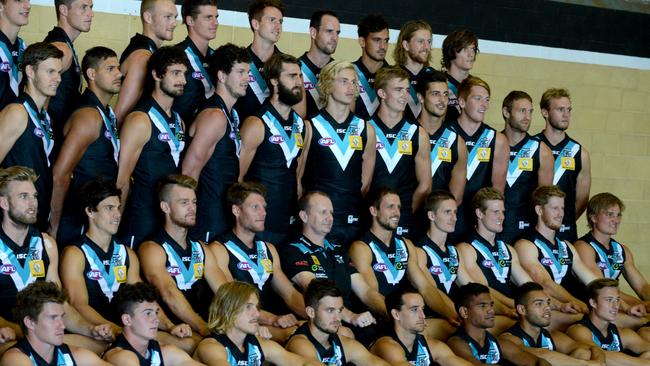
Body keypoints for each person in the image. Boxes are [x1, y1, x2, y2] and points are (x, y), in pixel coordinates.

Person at [0, 166, 114, 353]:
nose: (33, 203)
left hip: (42, 334)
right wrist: (13, 330)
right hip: (9, 337)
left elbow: (61, 305)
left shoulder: (47, 244)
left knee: (107, 346)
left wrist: (90, 329)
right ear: (4, 203)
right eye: (23, 197)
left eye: (34, 196)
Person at [515, 186, 647, 328]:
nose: (560, 214)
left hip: (569, 308)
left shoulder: (567, 246)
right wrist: (574, 302)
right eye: (555, 208)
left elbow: (595, 283)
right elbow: (545, 283)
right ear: (539, 210)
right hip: (543, 310)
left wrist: (627, 307)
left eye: (562, 208)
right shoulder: (525, 244)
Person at [349, 188, 459, 340]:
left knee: (458, 329)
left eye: (399, 207)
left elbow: (426, 287)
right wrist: (400, 317)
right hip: (379, 320)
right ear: (374, 211)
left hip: (407, 316)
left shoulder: (406, 245)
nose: (396, 212)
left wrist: (454, 315)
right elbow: (370, 294)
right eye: (390, 207)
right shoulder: (361, 247)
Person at [210, 182, 305, 342]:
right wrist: (272, 319)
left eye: (264, 207)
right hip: (240, 322)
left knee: (313, 331)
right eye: (255, 207)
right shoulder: (219, 249)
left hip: (271, 320)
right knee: (295, 336)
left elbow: (289, 294)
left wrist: (314, 314)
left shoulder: (268, 249)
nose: (263, 213)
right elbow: (230, 301)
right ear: (236, 210)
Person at [116, 46, 189, 247]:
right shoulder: (140, 119)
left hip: (166, 215)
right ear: (156, 75)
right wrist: (115, 222)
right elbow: (121, 180)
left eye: (184, 73)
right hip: (140, 214)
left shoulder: (178, 120)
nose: (183, 80)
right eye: (175, 73)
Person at [299, 60, 376, 248]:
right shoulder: (310, 126)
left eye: (353, 82)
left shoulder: (366, 129)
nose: (351, 87)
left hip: (352, 217)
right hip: (318, 219)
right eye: (343, 81)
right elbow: (298, 176)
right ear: (328, 85)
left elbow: (365, 182)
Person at [49, 46, 122, 244]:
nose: (119, 73)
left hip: (97, 216)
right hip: (77, 218)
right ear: (91, 74)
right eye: (110, 69)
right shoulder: (88, 116)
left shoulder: (106, 113)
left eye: (118, 68)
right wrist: (54, 227)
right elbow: (60, 174)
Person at [138, 175, 225, 338]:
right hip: (170, 331)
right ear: (165, 207)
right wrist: (203, 328)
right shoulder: (152, 248)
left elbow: (225, 292)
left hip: (202, 328)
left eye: (194, 202)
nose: (192, 208)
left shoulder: (202, 249)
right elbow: (168, 293)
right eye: (184, 203)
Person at [281, 191, 384, 328]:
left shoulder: (338, 249)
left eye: (331, 213)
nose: (330, 218)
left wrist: (392, 311)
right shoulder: (293, 250)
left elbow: (365, 291)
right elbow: (318, 292)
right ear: (304, 216)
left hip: (351, 321)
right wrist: (351, 317)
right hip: (323, 325)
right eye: (323, 212)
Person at [182, 43, 250, 242]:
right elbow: (188, 172)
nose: (247, 78)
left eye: (247, 72)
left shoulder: (231, 115)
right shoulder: (214, 116)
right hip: (207, 218)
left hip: (222, 213)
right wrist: (187, 222)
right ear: (222, 76)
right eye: (240, 72)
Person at [238, 53, 305, 244]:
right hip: (259, 224)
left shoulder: (300, 124)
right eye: (292, 76)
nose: (298, 82)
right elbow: (238, 178)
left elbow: (297, 177)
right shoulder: (256, 123)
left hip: (288, 224)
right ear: (274, 81)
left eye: (299, 76)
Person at [0, 43, 62, 230]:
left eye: (59, 72)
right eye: (50, 72)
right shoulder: (17, 112)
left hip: (36, 215)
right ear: (30, 71)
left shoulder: (45, 117)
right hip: (13, 220)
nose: (57, 79)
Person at [456, 188, 535, 334]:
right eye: (495, 212)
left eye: (503, 212)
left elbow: (529, 287)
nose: (502, 217)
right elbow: (483, 291)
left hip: (512, 310)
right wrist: (515, 306)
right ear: (479, 213)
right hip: (487, 312)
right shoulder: (466, 248)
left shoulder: (508, 250)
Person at [368, 66, 431, 237]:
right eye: (398, 90)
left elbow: (425, 185)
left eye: (407, 90)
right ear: (381, 93)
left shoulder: (418, 133)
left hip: (403, 217)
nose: (405, 95)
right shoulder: (365, 129)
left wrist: (404, 209)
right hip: (370, 214)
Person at [193, 281, 314, 366]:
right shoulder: (211, 347)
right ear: (228, 309)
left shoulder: (258, 345)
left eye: (256, 307)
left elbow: (304, 363)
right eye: (248, 307)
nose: (256, 314)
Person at [447, 76, 509, 240]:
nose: (484, 105)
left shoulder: (498, 140)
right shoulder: (445, 134)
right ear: (462, 102)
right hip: (448, 215)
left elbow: (497, 191)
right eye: (478, 98)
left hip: (479, 220)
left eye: (487, 100)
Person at [0, 281, 110, 366]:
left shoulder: (75, 355)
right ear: (30, 322)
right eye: (53, 318)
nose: (62, 325)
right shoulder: (15, 359)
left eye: (61, 317)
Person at [499, 282, 606, 366]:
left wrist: (600, 363)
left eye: (548, 303)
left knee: (583, 353)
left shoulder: (554, 336)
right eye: (539, 303)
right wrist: (586, 364)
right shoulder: (508, 339)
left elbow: (592, 348)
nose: (547, 308)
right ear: (522, 309)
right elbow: (540, 356)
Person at [286, 279, 389, 365]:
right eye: (330, 310)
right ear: (311, 312)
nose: (338, 318)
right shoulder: (299, 344)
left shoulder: (342, 343)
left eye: (339, 310)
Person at [575, 193, 650, 308]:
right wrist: (641, 304)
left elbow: (642, 286)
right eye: (610, 214)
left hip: (614, 306)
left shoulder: (622, 250)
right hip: (591, 308)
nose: (616, 220)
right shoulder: (583, 247)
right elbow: (603, 288)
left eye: (618, 215)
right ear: (594, 217)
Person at [535, 88, 591, 242]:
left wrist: (560, 218)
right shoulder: (531, 146)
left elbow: (582, 199)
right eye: (560, 109)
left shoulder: (580, 153)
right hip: (533, 227)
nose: (566, 114)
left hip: (565, 230)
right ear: (545, 112)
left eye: (568, 110)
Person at [447, 282, 550, 365]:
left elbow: (539, 362)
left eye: (491, 305)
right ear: (464, 312)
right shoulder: (456, 343)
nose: (491, 310)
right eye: (482, 305)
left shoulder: (498, 343)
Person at [103, 282, 204, 365]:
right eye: (148, 313)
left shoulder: (162, 350)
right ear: (127, 320)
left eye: (156, 312)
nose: (156, 319)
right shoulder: (121, 357)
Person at [370, 286, 472, 365]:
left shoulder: (432, 346)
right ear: (396, 314)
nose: (422, 316)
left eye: (422, 309)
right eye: (414, 310)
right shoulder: (385, 345)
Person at [501, 90, 553, 244]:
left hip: (526, 231)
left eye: (530, 111)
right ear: (506, 112)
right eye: (522, 111)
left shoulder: (541, 150)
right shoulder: (493, 144)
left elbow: (545, 200)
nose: (527, 117)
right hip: (493, 226)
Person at [114, 0, 177, 124]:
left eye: (175, 17)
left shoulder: (149, 51)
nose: (174, 23)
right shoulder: (143, 57)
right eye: (168, 17)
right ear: (148, 17)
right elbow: (120, 114)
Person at [414, 190, 471, 318]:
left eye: (455, 212)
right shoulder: (419, 250)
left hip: (455, 316)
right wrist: (459, 317)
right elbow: (431, 292)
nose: (454, 218)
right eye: (447, 212)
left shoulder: (453, 251)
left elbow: (470, 287)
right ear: (431, 216)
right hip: (431, 317)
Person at [44, 0, 93, 146]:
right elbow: (38, 96)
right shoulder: (61, 48)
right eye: (84, 8)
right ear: (64, 10)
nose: (91, 14)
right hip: (49, 140)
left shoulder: (67, 46)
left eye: (91, 7)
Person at [567, 279, 650, 365]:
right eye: (609, 300)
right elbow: (600, 356)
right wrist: (643, 363)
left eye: (617, 300)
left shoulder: (621, 334)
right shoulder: (578, 331)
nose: (615, 306)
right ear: (593, 303)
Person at [415, 71, 467, 204]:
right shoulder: (407, 134)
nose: (442, 100)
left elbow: (456, 197)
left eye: (445, 94)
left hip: (440, 221)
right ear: (421, 97)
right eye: (435, 94)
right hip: (406, 217)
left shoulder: (457, 142)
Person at [233, 0, 285, 121]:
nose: (278, 27)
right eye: (272, 20)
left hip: (278, 137)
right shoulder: (237, 61)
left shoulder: (286, 64)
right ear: (255, 24)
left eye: (280, 22)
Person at [173, 0, 218, 124]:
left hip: (207, 133)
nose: (215, 23)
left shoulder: (217, 57)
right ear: (190, 20)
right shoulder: (174, 56)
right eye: (209, 17)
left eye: (216, 17)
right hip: (176, 134)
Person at [295, 10, 340, 119]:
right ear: (313, 33)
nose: (335, 38)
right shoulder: (295, 69)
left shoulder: (340, 72)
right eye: (329, 31)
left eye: (337, 33)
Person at [393, 20, 434, 121]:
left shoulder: (435, 77)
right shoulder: (391, 76)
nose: (426, 47)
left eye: (428, 42)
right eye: (421, 41)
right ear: (406, 45)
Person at [352, 14, 389, 121]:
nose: (383, 46)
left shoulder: (395, 77)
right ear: (362, 42)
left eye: (386, 40)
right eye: (377, 40)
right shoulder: (349, 73)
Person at [440, 29, 478, 123]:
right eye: (465, 49)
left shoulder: (477, 85)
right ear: (451, 51)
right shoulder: (439, 83)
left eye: (473, 49)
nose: (471, 55)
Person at [0, 0, 29, 110]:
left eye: (28, 0)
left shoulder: (23, 47)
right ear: (1, 6)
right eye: (19, 0)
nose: (28, 5)